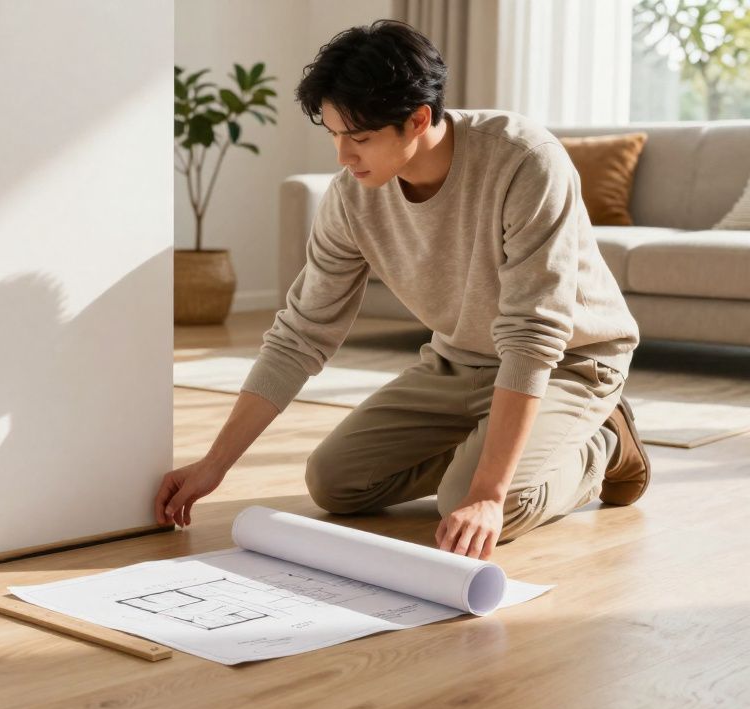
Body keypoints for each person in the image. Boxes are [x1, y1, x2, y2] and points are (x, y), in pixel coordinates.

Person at [154, 19, 651, 561]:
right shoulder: (351, 198)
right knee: (335, 483)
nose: (342, 156)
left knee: (482, 503)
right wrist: (214, 464)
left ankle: (605, 441)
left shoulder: (524, 159)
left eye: (359, 138)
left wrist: (487, 494)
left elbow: (534, 333)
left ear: (417, 119)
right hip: (459, 362)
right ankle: (497, 446)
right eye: (334, 134)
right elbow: (300, 333)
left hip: (569, 363)